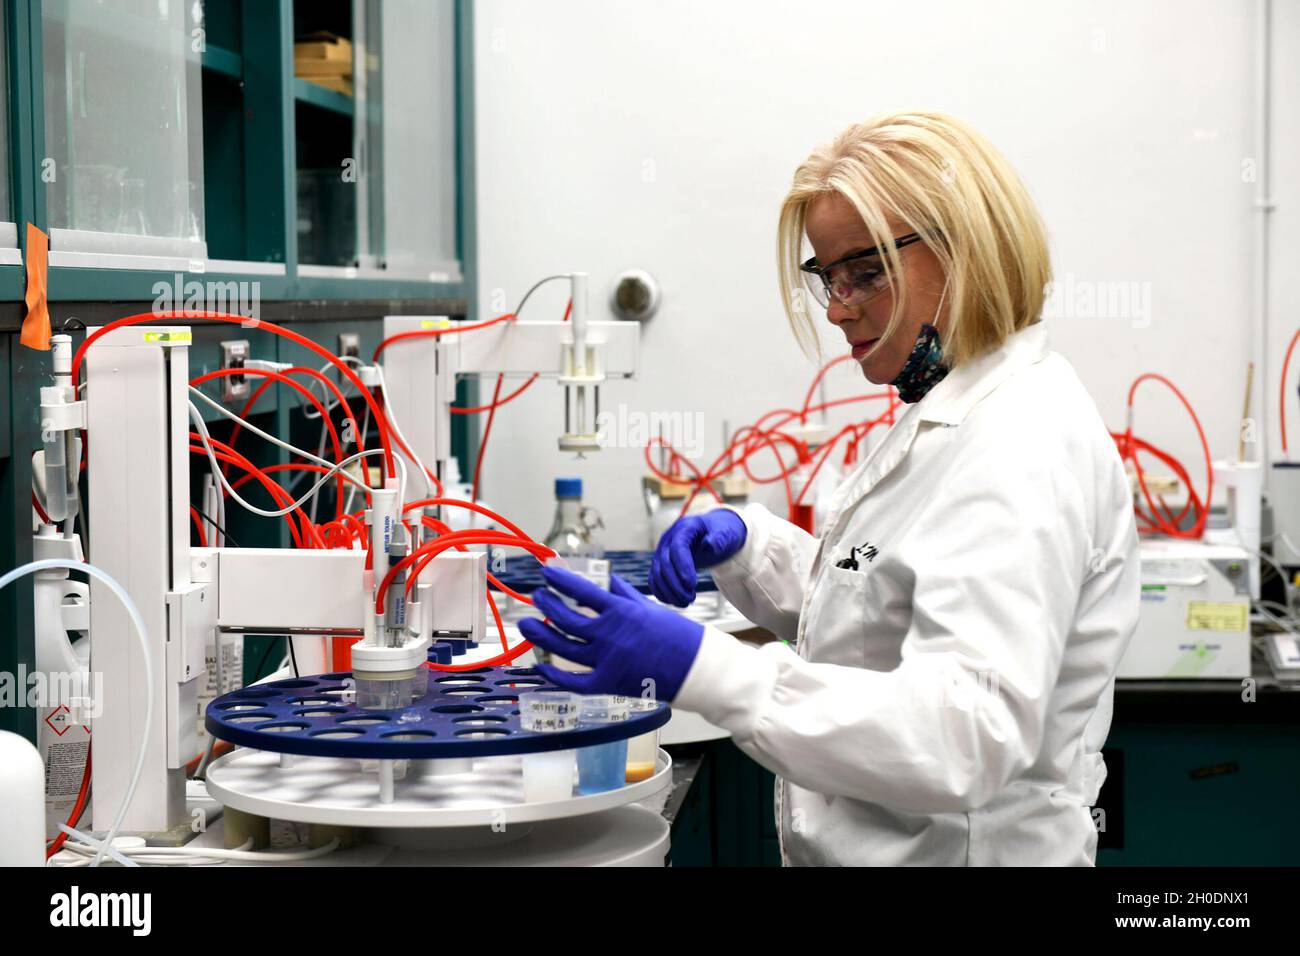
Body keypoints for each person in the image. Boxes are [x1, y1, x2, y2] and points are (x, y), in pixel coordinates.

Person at [520, 111, 1139, 866]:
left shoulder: (1018, 443)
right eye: (828, 277)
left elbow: (966, 735)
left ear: (966, 247)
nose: (840, 307)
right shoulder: (954, 406)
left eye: (866, 272)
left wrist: (704, 669)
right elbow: (883, 613)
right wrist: (755, 549)